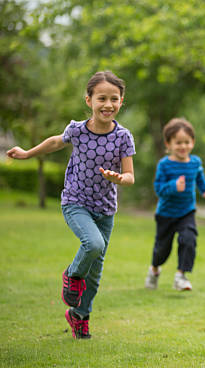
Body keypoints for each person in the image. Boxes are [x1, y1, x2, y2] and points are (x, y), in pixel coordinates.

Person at [6, 71, 135, 340]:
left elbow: (130, 176)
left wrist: (119, 178)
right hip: (76, 202)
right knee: (94, 244)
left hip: (106, 209)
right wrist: (28, 153)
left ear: (121, 101)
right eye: (102, 98)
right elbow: (56, 141)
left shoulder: (123, 137)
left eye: (114, 98)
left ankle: (79, 316)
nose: (108, 104)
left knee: (96, 274)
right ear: (88, 100)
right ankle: (72, 275)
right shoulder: (77, 129)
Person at [144, 118, 205, 291]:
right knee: (162, 250)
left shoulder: (195, 162)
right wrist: (173, 186)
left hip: (186, 212)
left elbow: (199, 178)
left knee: (189, 239)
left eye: (186, 142)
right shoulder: (164, 165)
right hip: (166, 213)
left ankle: (180, 276)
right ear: (168, 144)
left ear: (193, 142)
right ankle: (154, 270)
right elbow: (158, 189)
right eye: (178, 143)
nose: (183, 146)